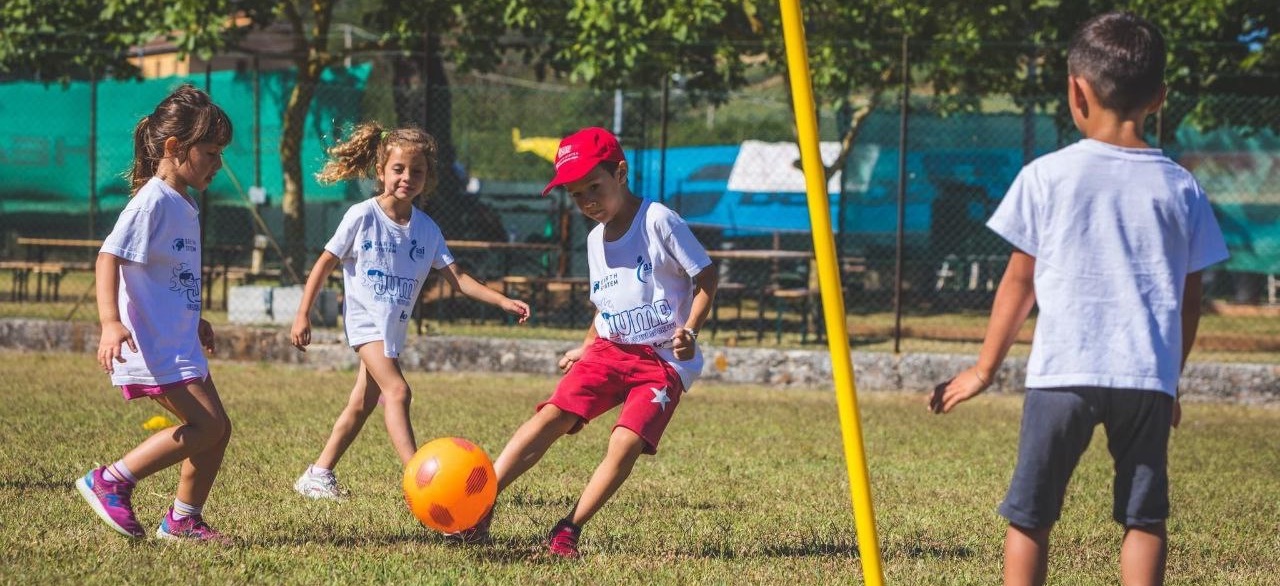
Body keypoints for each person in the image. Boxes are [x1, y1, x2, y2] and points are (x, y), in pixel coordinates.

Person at [927, 12, 1229, 586]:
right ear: (1160, 99)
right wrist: (1171, 382)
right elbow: (1190, 300)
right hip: (1145, 379)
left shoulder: (1046, 176)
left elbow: (1019, 282)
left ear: (1076, 90)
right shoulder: (1183, 187)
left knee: (1030, 516)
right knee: (1144, 518)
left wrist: (984, 369)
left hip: (1061, 375)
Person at [460, 127, 718, 557]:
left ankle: (568, 528)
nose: (588, 202)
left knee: (625, 441)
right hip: (609, 349)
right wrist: (586, 345)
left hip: (661, 362)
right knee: (551, 417)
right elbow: (606, 306)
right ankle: (480, 503)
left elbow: (706, 276)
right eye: (577, 196)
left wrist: (689, 329)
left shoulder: (658, 220)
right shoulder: (594, 239)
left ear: (620, 173)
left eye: (594, 188)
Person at [291, 123, 530, 499]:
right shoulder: (362, 216)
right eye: (398, 169)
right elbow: (324, 263)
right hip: (364, 323)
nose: (407, 177)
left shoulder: (427, 229)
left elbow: (459, 279)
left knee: (361, 404)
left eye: (416, 171)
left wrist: (502, 300)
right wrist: (303, 313)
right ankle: (421, 481)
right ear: (381, 171)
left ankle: (318, 473)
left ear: (427, 178)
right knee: (398, 391)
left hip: (390, 332)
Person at [78, 85, 235, 542]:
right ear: (174, 147)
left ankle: (183, 519)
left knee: (217, 430)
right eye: (210, 152)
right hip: (151, 345)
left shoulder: (182, 202)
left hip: (176, 339)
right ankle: (111, 480)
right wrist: (110, 323)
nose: (218, 164)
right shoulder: (152, 201)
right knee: (207, 426)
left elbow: (169, 273)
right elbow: (109, 257)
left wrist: (194, 316)